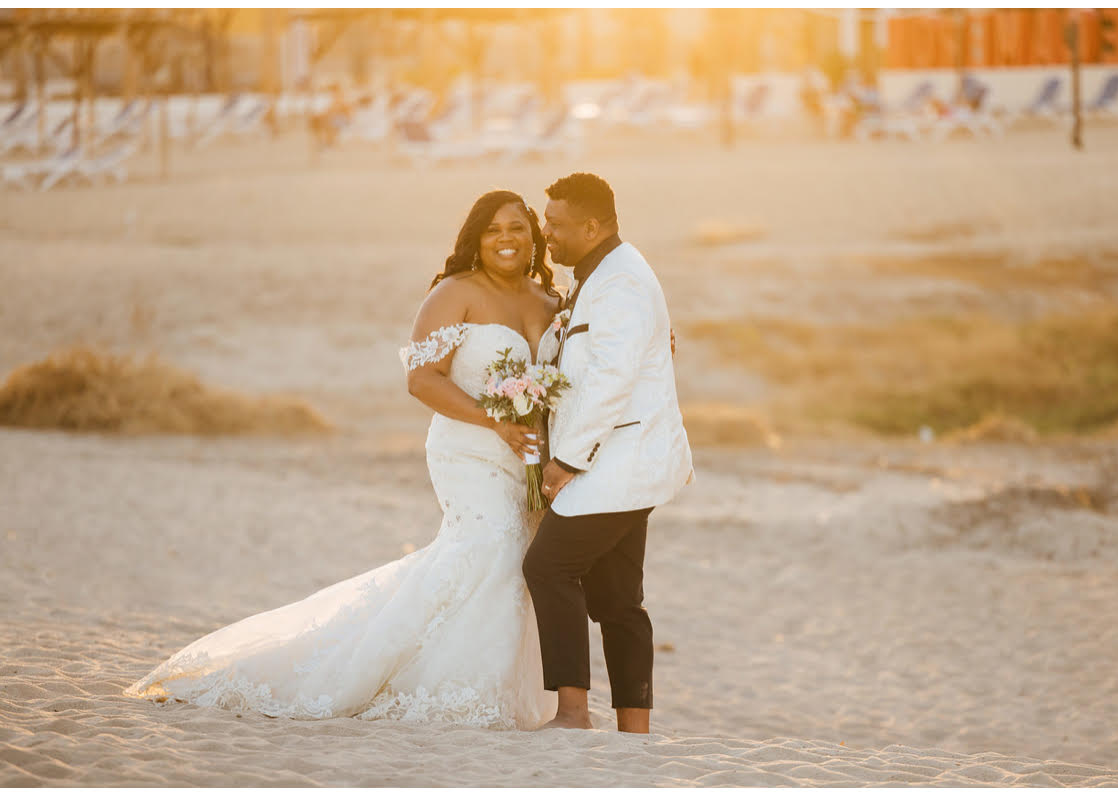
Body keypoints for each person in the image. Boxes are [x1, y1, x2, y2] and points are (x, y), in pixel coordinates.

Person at [123, 190, 563, 729]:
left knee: (515, 560)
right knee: (490, 544)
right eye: (493, 230)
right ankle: (444, 688)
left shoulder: (549, 302)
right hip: (468, 449)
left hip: (528, 457)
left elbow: (580, 363)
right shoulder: (455, 293)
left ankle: (488, 687)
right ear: (476, 237)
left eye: (517, 228)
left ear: (534, 237)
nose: (506, 239)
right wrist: (496, 422)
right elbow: (421, 380)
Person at [523, 173, 693, 734]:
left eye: (557, 225)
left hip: (618, 463)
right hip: (624, 463)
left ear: (593, 227)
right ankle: (635, 730)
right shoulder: (603, 273)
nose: (547, 234)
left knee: (547, 567)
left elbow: (612, 379)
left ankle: (573, 713)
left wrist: (567, 460)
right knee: (619, 599)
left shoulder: (620, 281)